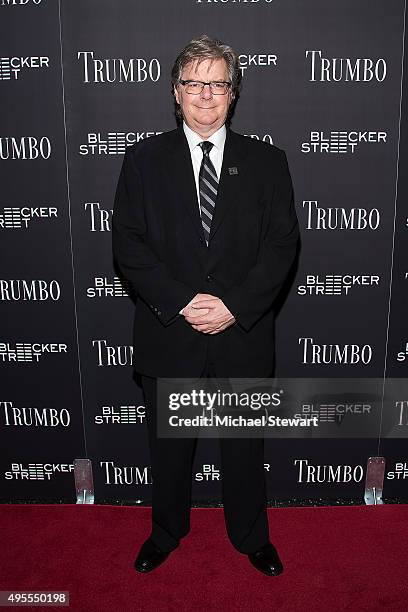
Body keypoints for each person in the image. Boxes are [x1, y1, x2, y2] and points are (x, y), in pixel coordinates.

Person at [112, 34, 300, 576]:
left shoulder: (269, 163)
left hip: (240, 335)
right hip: (170, 333)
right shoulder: (143, 161)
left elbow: (282, 246)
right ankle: (166, 531)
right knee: (169, 453)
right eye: (194, 83)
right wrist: (183, 302)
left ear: (233, 94)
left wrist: (233, 307)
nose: (205, 95)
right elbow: (128, 243)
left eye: (218, 84)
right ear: (176, 92)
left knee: (244, 450)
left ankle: (250, 536)